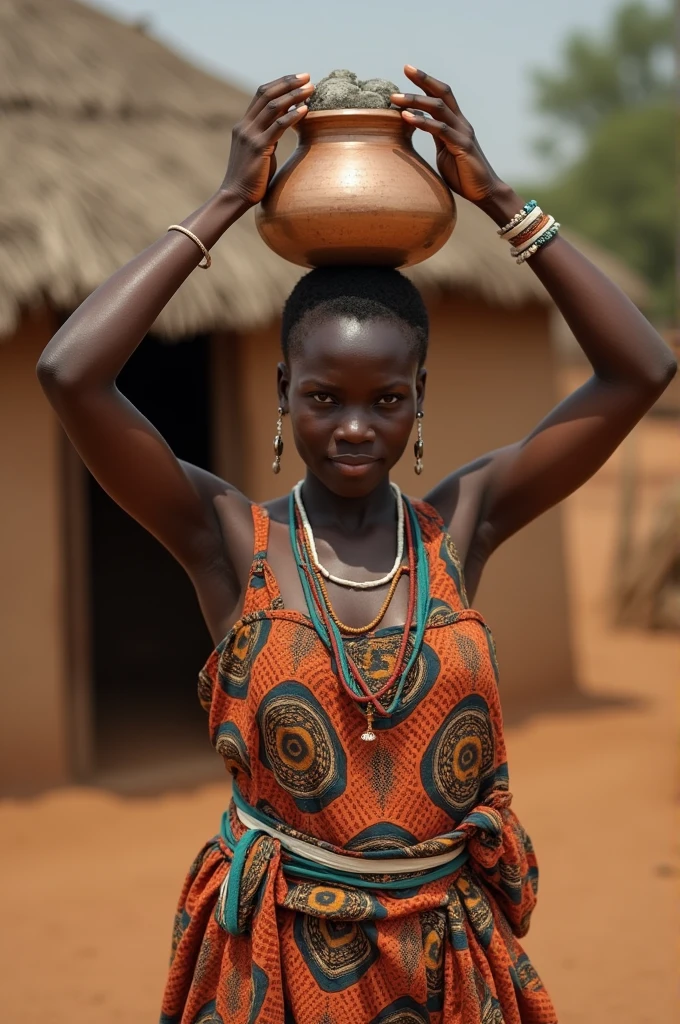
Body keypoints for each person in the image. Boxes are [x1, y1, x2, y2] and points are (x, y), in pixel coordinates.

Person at [37, 66, 676, 1024]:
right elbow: (70, 374)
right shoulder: (226, 540)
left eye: (386, 400)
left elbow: (641, 370)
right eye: (323, 398)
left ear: (421, 401)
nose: (352, 429)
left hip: (448, 965)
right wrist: (220, 206)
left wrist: (500, 200)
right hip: (278, 969)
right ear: (283, 391)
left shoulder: (464, 524)